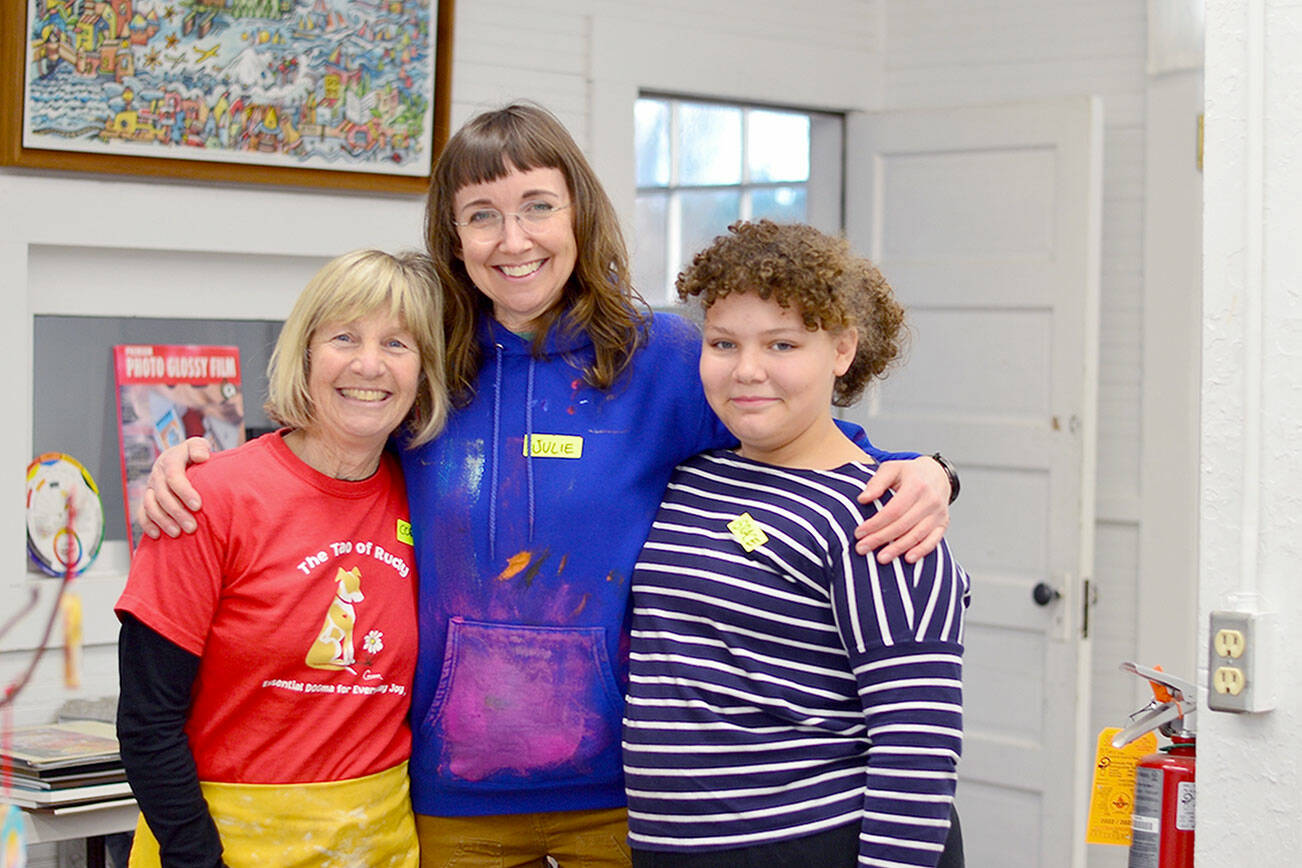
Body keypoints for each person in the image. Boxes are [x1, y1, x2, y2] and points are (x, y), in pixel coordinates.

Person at [138, 104, 957, 868]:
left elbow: (795, 438)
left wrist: (930, 472)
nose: (512, 238)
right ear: (453, 236)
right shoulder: (430, 361)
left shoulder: (664, 358)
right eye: (482, 215)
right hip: (452, 793)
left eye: (537, 206)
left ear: (578, 217)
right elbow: (333, 443)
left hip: (626, 792)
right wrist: (198, 467)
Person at [623, 220, 968, 868]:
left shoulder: (881, 517)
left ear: (840, 350)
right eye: (723, 343)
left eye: (782, 345)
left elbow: (917, 752)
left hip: (813, 845)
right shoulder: (693, 476)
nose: (747, 370)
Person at [116, 249, 449, 868]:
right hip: (218, 846)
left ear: (424, 371)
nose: (369, 364)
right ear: (304, 354)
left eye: (398, 344)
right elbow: (146, 725)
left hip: (381, 846)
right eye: (344, 337)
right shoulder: (203, 497)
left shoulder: (431, 498)